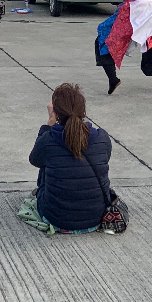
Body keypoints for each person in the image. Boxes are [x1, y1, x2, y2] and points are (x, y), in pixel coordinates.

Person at [27, 83, 113, 232]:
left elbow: (34, 160)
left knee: (46, 162)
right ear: (84, 112)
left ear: (56, 113)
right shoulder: (102, 137)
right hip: (95, 217)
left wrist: (50, 123)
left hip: (57, 218)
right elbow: (105, 158)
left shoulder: (49, 139)